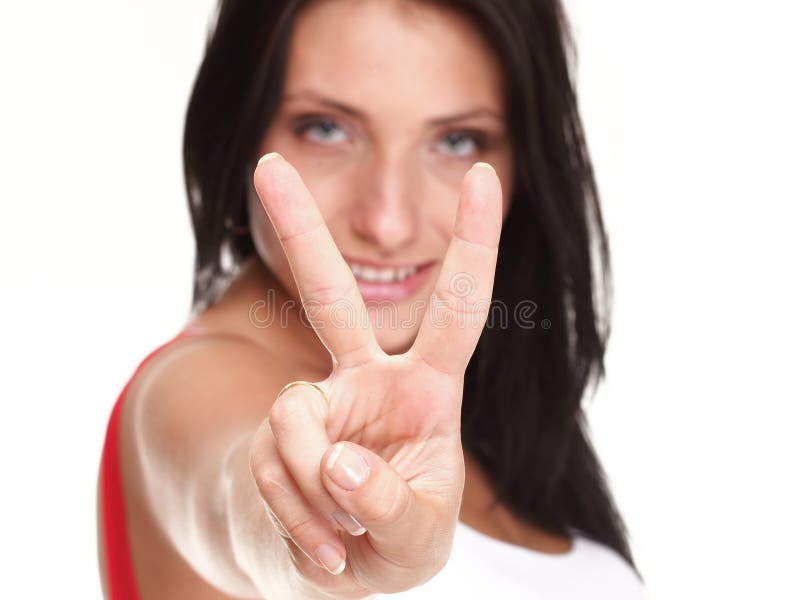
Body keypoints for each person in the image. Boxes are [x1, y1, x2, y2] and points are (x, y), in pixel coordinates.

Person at [97, 0, 644, 598]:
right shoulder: (189, 387)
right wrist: (322, 539)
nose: (388, 220)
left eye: (457, 140)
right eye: (327, 129)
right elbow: (236, 499)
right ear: (238, 130)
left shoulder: (487, 406)